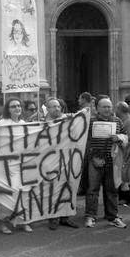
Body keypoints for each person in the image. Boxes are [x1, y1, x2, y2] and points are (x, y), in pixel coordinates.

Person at [84, 97, 127, 229]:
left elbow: (125, 137)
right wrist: (93, 157)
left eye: (109, 106)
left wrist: (119, 138)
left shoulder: (117, 121)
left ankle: (112, 216)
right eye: (104, 107)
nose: (107, 109)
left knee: (112, 190)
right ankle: (90, 216)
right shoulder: (90, 122)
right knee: (92, 189)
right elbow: (84, 142)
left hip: (112, 161)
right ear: (97, 108)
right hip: (95, 160)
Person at [0, 97, 33, 234]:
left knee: (24, 193)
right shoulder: (3, 123)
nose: (17, 108)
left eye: (18, 106)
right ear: (8, 109)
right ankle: (3, 222)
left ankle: (23, 221)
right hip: (7, 163)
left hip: (22, 163)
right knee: (9, 194)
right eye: (13, 106)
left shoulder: (23, 123)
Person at [44, 98, 80, 230]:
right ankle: (53, 218)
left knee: (68, 187)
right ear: (47, 109)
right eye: (53, 107)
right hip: (51, 161)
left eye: (58, 106)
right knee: (53, 190)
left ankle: (65, 217)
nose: (56, 109)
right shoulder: (43, 124)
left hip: (68, 159)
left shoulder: (69, 119)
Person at [115, 102, 130, 205]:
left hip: (128, 153)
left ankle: (127, 199)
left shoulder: (129, 121)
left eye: (116, 109)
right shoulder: (123, 120)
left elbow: (129, 138)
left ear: (119, 110)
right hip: (124, 153)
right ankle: (123, 198)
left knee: (127, 176)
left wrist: (120, 138)